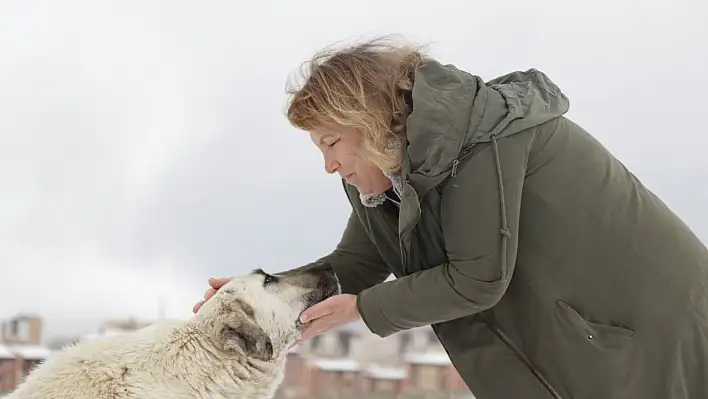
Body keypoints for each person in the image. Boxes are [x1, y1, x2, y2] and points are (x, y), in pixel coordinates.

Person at [192, 37, 708, 398]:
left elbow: (477, 278)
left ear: (367, 123)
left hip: (651, 335)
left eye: (331, 143)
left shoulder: (484, 139)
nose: (328, 165)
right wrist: (262, 298)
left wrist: (362, 311)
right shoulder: (388, 182)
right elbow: (354, 265)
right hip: (588, 349)